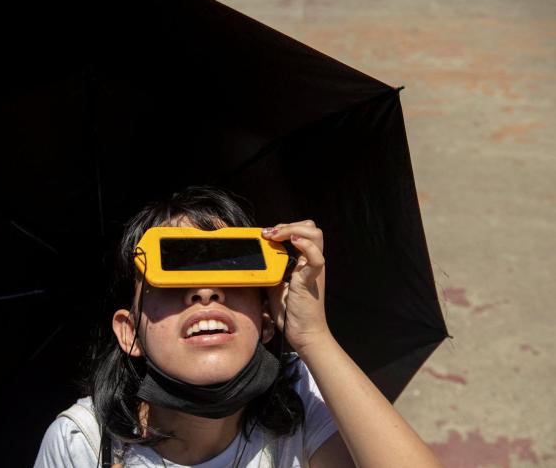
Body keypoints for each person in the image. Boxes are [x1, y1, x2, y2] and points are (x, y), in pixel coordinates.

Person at [34, 186, 443, 467]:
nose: (205, 291)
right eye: (171, 274)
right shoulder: (83, 443)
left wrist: (313, 338)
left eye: (229, 268)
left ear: (265, 320)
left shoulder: (301, 402)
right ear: (129, 332)